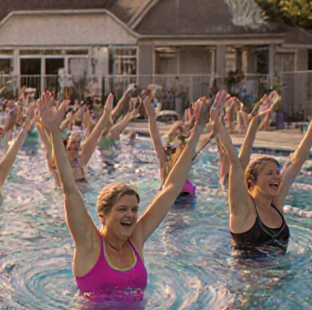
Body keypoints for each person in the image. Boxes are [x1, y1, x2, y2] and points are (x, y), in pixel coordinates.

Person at [41, 93, 209, 296]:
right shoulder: (90, 244)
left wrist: (197, 131)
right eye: (122, 209)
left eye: (133, 209)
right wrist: (53, 133)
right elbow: (69, 188)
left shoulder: (135, 241)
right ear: (103, 216)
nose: (130, 215)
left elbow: (171, 188)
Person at [212, 91, 312, 254]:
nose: (277, 176)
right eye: (269, 173)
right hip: (248, 278)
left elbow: (296, 162)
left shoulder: (275, 204)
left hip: (281, 276)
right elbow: (236, 164)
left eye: (277, 172)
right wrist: (218, 124)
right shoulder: (243, 209)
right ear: (252, 180)